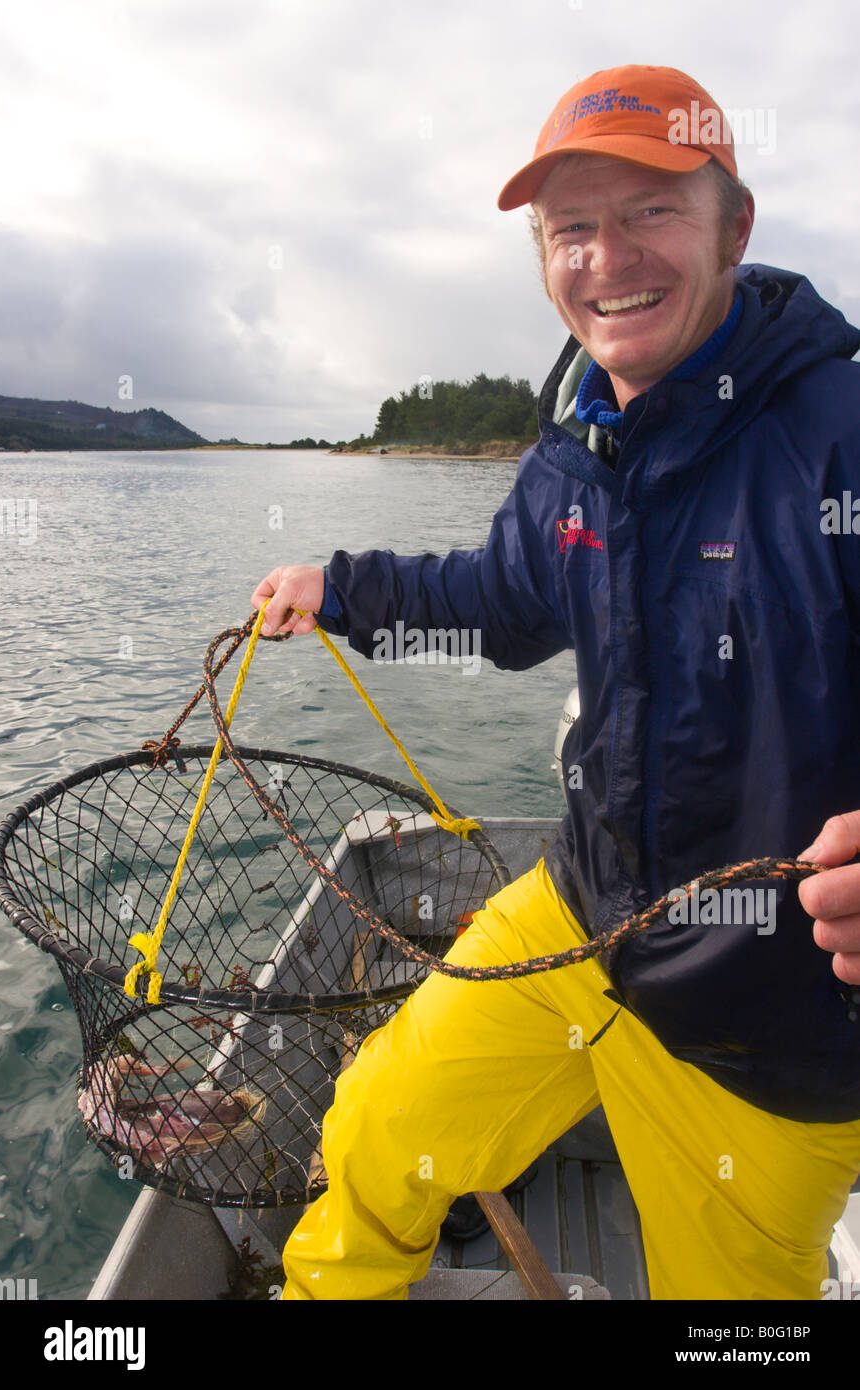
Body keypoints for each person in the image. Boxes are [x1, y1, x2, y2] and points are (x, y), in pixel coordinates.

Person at [250, 64, 860, 1300]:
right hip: (581, 918)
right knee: (370, 1132)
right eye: (569, 228)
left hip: (773, 1024)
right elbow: (498, 598)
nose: (605, 257)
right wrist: (344, 585)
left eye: (649, 212)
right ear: (540, 257)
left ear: (732, 226)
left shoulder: (837, 429)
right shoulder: (575, 445)